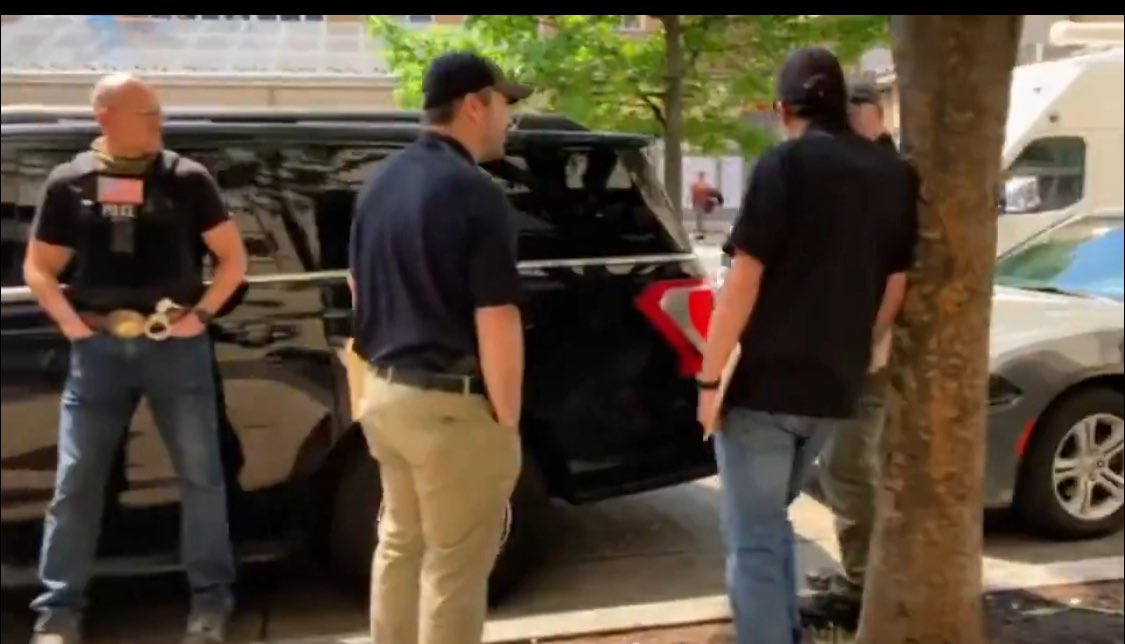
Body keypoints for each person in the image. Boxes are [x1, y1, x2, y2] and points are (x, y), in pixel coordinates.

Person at [695, 48, 917, 644]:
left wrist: (709, 378)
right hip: (833, 387)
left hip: (764, 387)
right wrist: (857, 346)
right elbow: (895, 284)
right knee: (772, 524)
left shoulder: (784, 165)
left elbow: (743, 279)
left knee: (754, 538)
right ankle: (786, 630)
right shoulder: (891, 175)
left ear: (783, 108)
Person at [23, 73, 247, 644]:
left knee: (202, 478)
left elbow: (232, 259)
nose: (158, 122)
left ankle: (210, 604)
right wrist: (74, 328)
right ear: (106, 116)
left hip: (174, 346)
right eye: (146, 113)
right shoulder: (70, 182)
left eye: (157, 112)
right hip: (98, 351)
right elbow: (39, 267)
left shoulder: (187, 179)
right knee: (77, 481)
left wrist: (201, 315)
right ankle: (58, 613)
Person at [347, 51, 531, 644]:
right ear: (475, 105)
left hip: (385, 394)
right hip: (452, 409)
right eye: (504, 103)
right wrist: (506, 419)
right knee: (454, 567)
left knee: (400, 545)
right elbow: (497, 317)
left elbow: (356, 286)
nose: (508, 117)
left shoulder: (377, 183)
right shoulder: (477, 194)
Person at [800, 80, 912, 630]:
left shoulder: (889, 177)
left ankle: (863, 584)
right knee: (842, 465)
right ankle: (865, 573)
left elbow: (895, 274)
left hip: (870, 352)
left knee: (846, 465)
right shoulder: (871, 173)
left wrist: (869, 338)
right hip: (853, 350)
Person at [690, 171, 725, 239]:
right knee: (702, 218)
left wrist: (693, 204)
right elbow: (712, 194)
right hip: (703, 204)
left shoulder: (696, 185)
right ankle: (701, 231)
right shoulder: (705, 185)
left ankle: (700, 231)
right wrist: (716, 203)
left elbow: (694, 196)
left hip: (699, 204)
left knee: (699, 218)